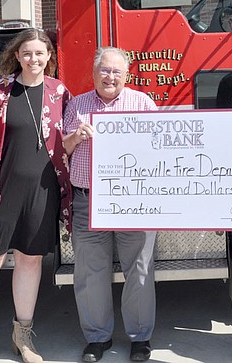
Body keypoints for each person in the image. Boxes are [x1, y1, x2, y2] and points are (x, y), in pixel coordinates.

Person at [0, 29, 73, 363]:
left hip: (43, 188)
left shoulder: (60, 92)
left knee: (31, 260)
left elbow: (66, 142)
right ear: (16, 56)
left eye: (40, 53)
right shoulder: (0, 91)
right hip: (1, 189)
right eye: (27, 53)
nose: (34, 59)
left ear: (50, 56)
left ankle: (22, 336)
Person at [63, 47, 158, 363]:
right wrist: (77, 136)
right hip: (88, 200)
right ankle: (97, 338)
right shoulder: (77, 105)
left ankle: (140, 338)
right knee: (91, 272)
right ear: (93, 73)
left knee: (140, 270)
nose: (110, 76)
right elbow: (64, 148)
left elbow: (161, 149)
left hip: (134, 200)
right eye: (104, 70)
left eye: (117, 71)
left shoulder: (142, 104)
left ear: (126, 75)